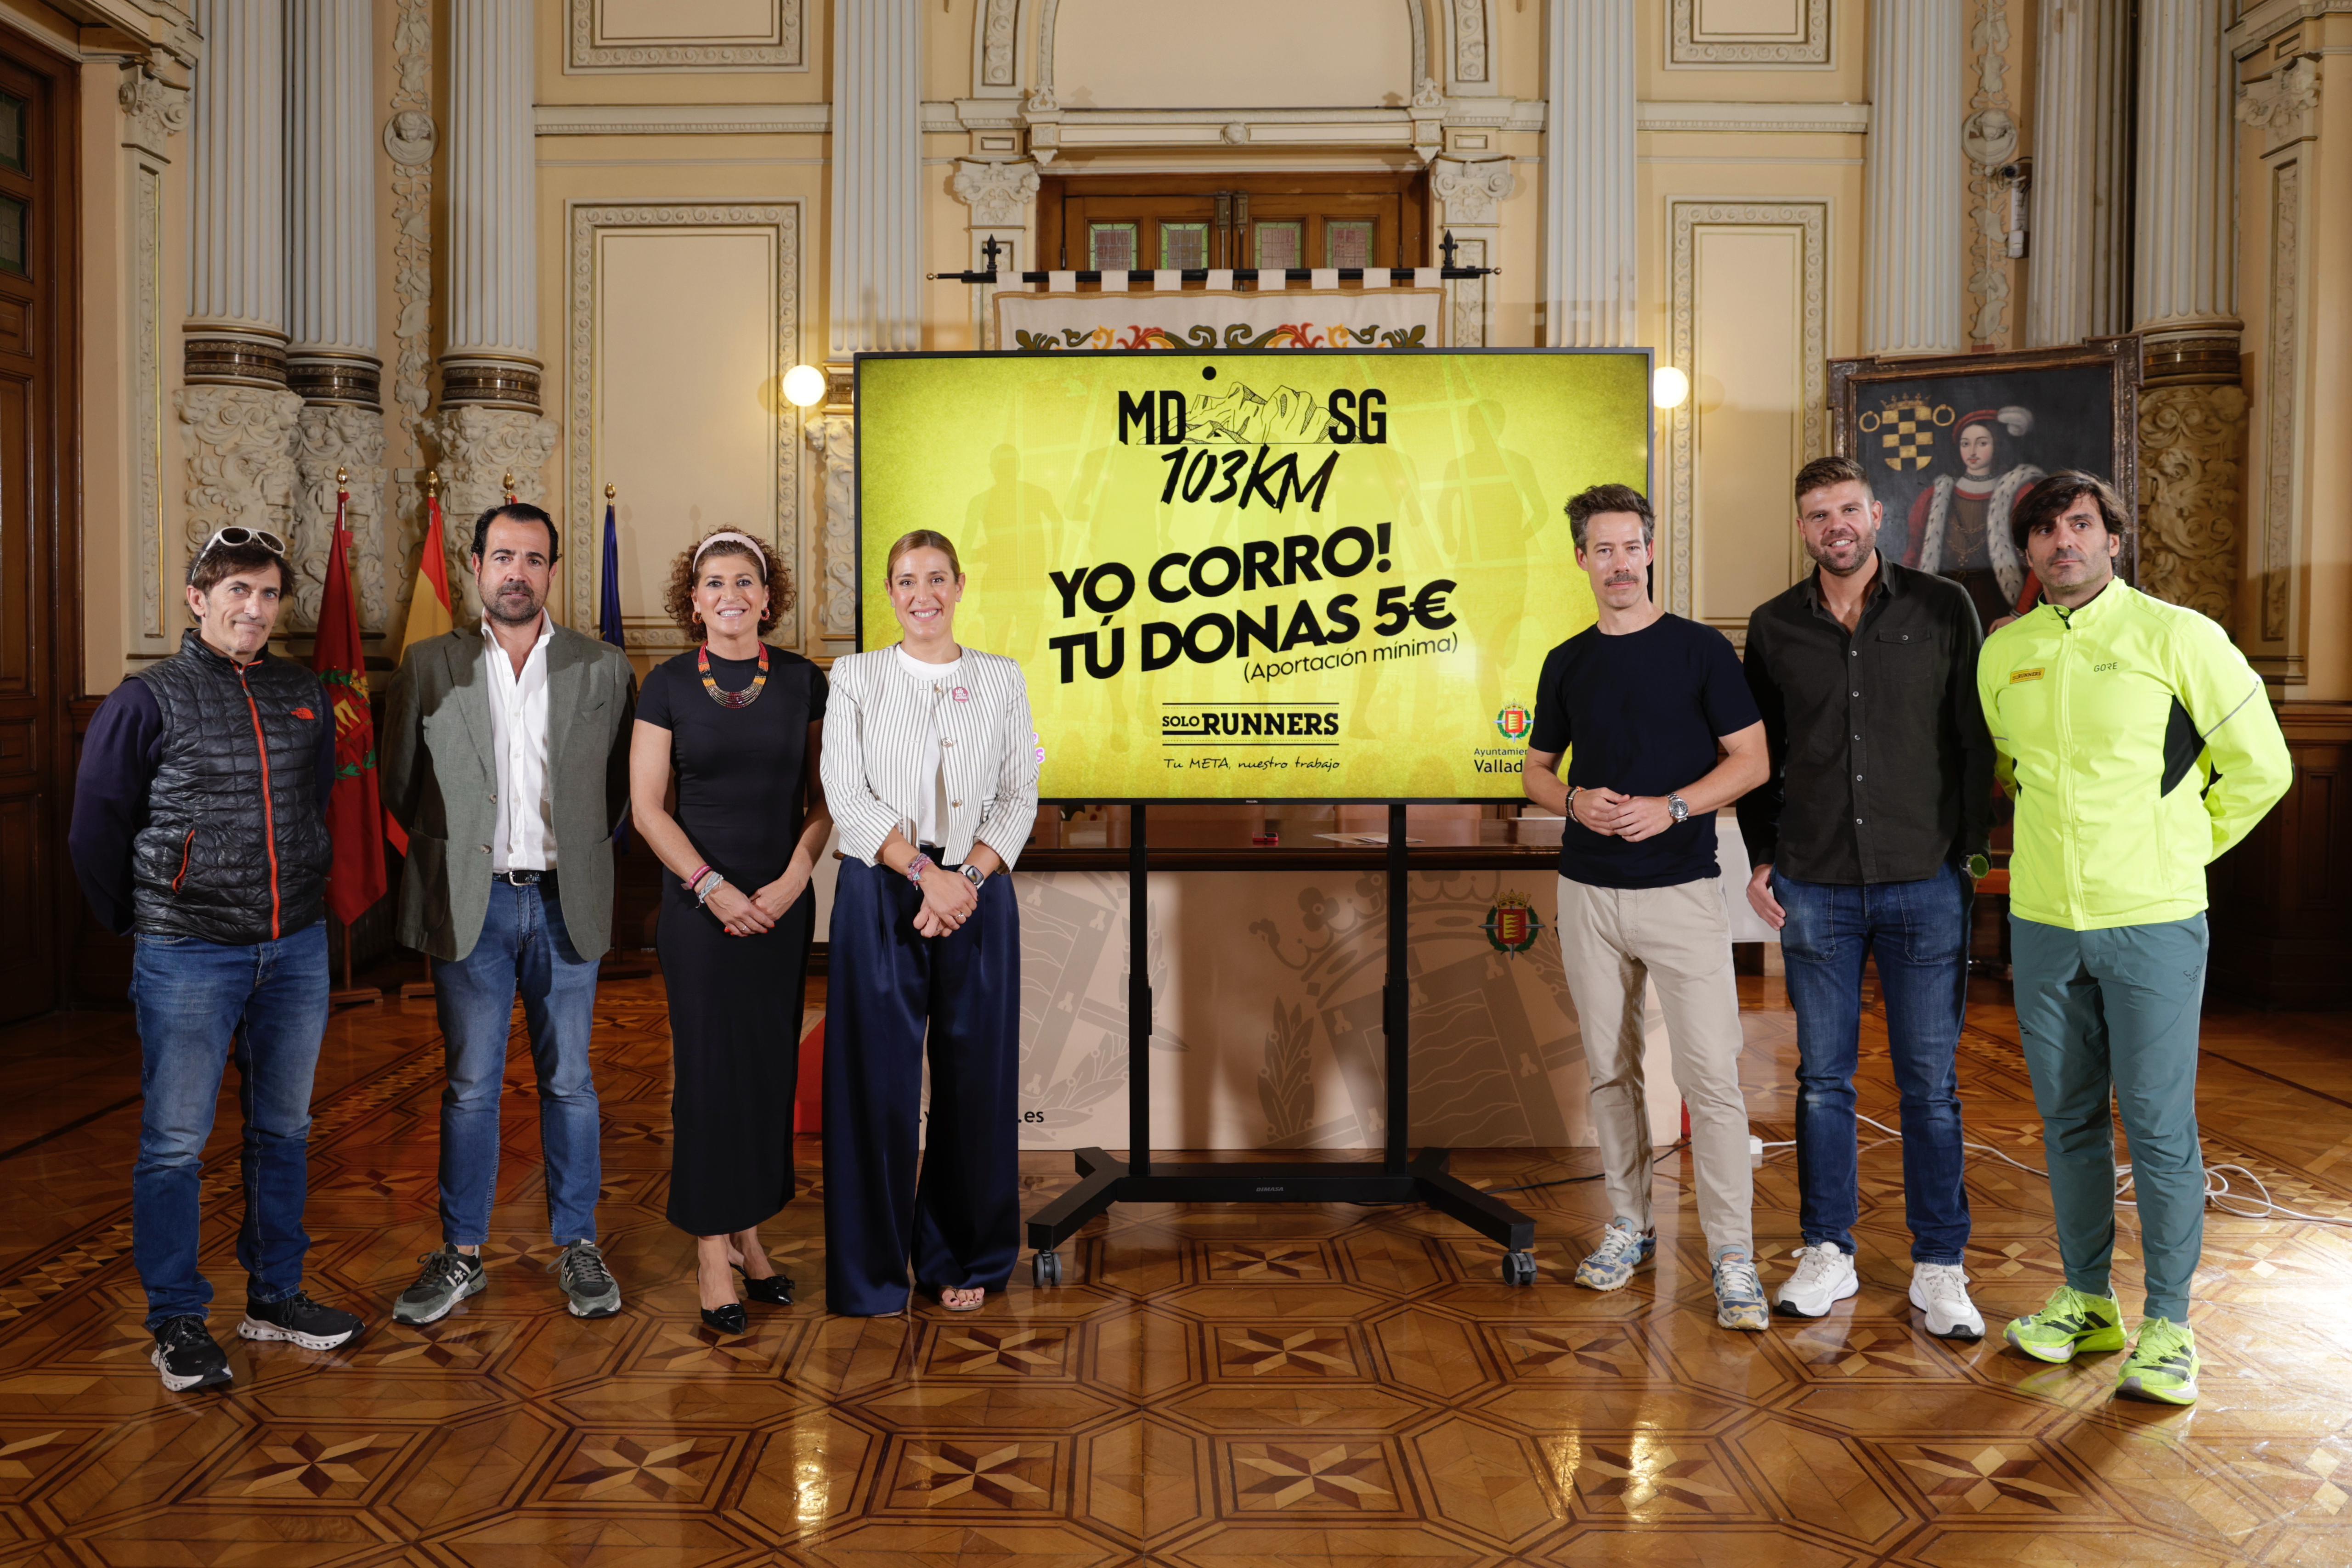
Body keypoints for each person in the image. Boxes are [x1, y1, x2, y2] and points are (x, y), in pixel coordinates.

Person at [1979, 471, 2289, 1405]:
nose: (2062, 542)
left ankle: (2170, 1325)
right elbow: (2012, 772)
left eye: (2079, 524)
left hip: (2153, 919)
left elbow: (2263, 767)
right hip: (2043, 923)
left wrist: (2176, 850)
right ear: (2027, 551)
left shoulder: (2179, 636)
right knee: (2068, 1119)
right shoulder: (2004, 653)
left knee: (2156, 1125)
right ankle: (2086, 1301)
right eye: (2043, 530)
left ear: (2113, 539)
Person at [68, 528, 364, 1392]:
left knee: (285, 1130)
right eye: (237, 590)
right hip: (188, 951)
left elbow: (313, 802)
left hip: (294, 946)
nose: (255, 608)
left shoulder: (302, 691)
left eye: (268, 594)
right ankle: (177, 1319)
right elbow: (96, 824)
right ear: (198, 599)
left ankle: (275, 1294)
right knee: (174, 1143)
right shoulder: (145, 698)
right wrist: (145, 919)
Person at [1740, 455, 1995, 1338]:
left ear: (1877, 514)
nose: (1835, 525)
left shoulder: (1943, 607)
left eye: (1848, 508)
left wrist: (1969, 855)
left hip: (1926, 877)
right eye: (1818, 514)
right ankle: (1827, 1249)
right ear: (1802, 527)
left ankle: (1941, 1263)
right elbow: (1759, 754)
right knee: (1822, 1081)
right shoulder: (1774, 625)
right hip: (1814, 882)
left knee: (1930, 1084)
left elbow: (1972, 736)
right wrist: (1763, 855)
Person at [1521, 484, 1774, 1332]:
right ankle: (1629, 1224)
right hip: (1588, 892)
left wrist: (1672, 806)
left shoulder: (1701, 650)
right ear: (1582, 559)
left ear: (1652, 551)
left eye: (1632, 547)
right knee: (1609, 1070)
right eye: (1604, 549)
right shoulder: (1566, 660)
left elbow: (1751, 761)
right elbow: (1535, 770)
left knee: (1711, 1079)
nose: (1620, 563)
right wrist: (1571, 799)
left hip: (1681, 891)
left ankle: (1733, 1255)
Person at [381, 502, 638, 1325]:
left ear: (552, 570)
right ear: (476, 566)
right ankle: (462, 1253)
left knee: (571, 1083)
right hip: (473, 902)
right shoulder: (428, 664)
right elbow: (400, 783)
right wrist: (464, 855)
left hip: (567, 901)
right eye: (502, 557)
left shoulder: (603, 667)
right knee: (469, 1086)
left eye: (532, 559)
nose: (516, 573)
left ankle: (579, 1244)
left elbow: (619, 791)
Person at [820, 529, 1040, 1316]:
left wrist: (965, 879)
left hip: (978, 892)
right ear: (890, 592)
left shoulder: (1002, 677)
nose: (924, 594)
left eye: (938, 578)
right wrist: (925, 874)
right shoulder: (855, 677)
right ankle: (871, 1273)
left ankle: (964, 1255)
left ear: (960, 585)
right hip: (881, 889)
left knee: (976, 1081)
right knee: (874, 1086)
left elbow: (1019, 792)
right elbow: (845, 791)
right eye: (908, 580)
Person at [630, 531, 832, 1334]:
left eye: (745, 580)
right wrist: (712, 888)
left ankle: (750, 1234)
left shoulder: (804, 681)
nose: (731, 594)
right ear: (694, 601)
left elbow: (824, 799)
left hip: (781, 906)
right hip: (700, 911)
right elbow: (648, 807)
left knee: (764, 1073)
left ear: (767, 596)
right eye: (714, 582)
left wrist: (794, 879)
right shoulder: (668, 684)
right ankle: (712, 1251)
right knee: (711, 1078)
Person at [1904, 406, 2044, 631]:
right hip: (1945, 599)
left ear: (1997, 445)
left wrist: (2020, 612)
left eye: (1982, 443)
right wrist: (1908, 605)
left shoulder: (2020, 492)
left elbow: (2042, 559)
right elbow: (1913, 554)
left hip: (1998, 600)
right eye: (1965, 444)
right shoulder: (1935, 496)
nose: (1972, 451)